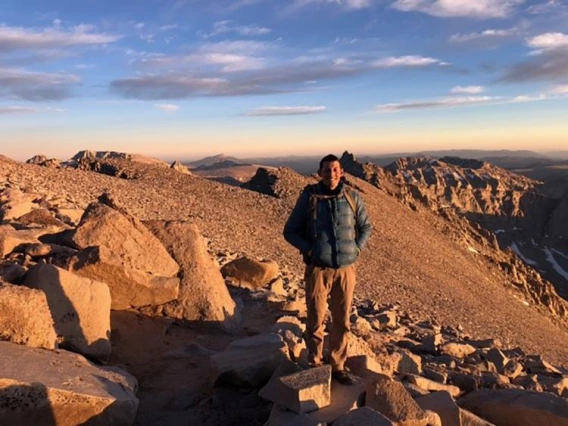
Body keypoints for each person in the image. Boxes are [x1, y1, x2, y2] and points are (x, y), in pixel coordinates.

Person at [283, 154, 372, 385]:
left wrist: (357, 249)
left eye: (335, 170)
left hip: (345, 269)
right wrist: (310, 250)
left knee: (342, 320)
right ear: (319, 172)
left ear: (341, 172)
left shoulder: (352, 197)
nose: (330, 174)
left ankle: (338, 365)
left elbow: (365, 226)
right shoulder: (310, 198)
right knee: (316, 318)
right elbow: (290, 231)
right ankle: (314, 363)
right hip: (318, 270)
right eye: (326, 170)